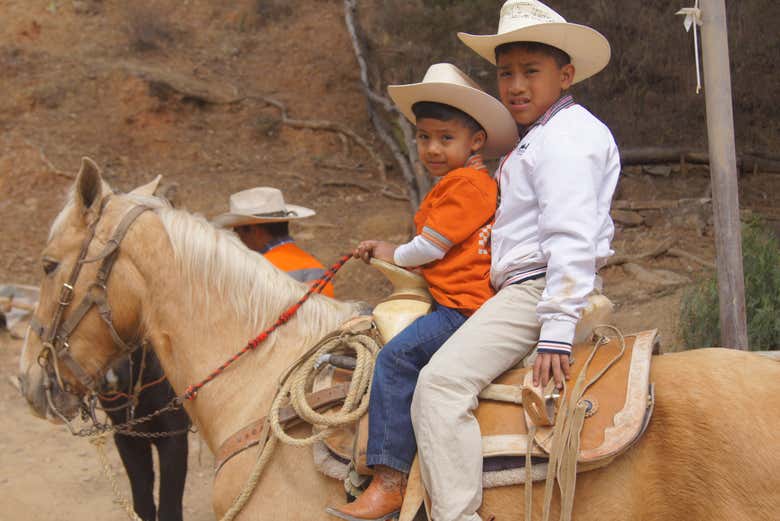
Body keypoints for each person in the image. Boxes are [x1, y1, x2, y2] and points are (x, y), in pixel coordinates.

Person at [409, 1, 621, 520]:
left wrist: (554, 326)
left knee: (438, 386)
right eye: (506, 73)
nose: (516, 85)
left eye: (531, 71)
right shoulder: (548, 136)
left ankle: (456, 515)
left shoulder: (566, 138)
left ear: (565, 74)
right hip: (531, 286)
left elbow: (569, 234)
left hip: (536, 290)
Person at [326, 63, 518, 521]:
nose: (432, 148)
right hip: (452, 301)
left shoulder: (468, 185)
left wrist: (391, 250)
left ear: (475, 142)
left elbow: (430, 247)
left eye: (445, 138)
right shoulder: (459, 183)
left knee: (396, 359)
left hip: (461, 310)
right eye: (424, 137)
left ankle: (389, 479)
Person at [213, 187, 335, 297]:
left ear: (255, 231)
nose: (238, 237)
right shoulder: (317, 268)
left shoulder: (252, 271)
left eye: (237, 231)